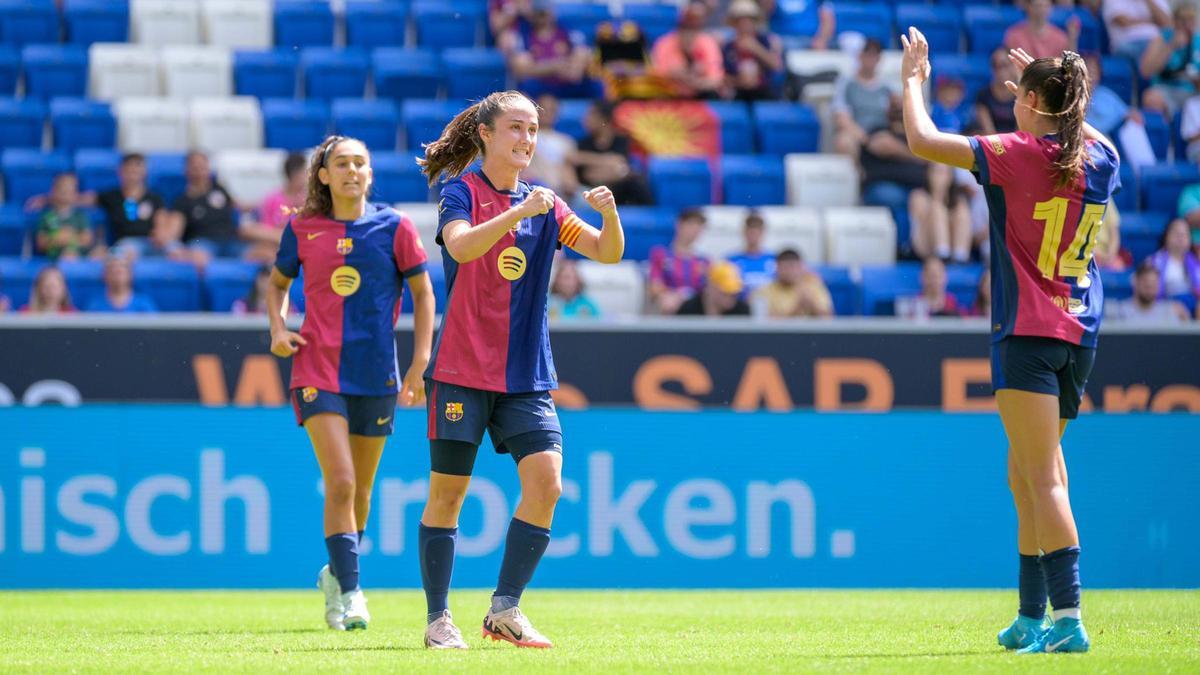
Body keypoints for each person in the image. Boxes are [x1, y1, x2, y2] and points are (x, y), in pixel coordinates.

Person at [900, 29, 1122, 654]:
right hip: (1078, 330)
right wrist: (1055, 96)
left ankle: (1069, 617)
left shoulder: (1018, 152)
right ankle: (1030, 615)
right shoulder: (1100, 156)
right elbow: (1082, 131)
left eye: (1021, 96)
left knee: (1043, 476)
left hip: (1027, 328)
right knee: (1025, 475)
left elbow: (921, 140)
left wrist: (913, 82)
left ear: (1028, 101)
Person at [415, 90, 624, 650]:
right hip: (460, 371)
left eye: (533, 129)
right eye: (515, 128)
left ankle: (504, 609)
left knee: (548, 483)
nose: (526, 139)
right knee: (449, 496)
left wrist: (609, 214)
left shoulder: (548, 204)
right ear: (485, 134)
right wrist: (517, 212)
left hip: (525, 376)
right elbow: (459, 249)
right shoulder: (459, 192)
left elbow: (606, 253)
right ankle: (439, 620)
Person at [267, 135, 436, 632]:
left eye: (360, 162)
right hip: (317, 368)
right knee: (339, 481)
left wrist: (420, 362)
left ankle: (336, 577)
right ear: (323, 174)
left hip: (376, 372)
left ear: (370, 172)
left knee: (361, 491)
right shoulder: (302, 229)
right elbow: (277, 285)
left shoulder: (395, 226)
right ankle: (355, 592)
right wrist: (278, 329)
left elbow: (425, 295)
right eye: (341, 163)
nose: (351, 170)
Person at [96, 153, 181, 260]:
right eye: (129, 169)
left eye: (137, 168)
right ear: (120, 171)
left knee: (176, 250)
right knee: (123, 253)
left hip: (151, 241)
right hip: (126, 242)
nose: (133, 172)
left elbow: (161, 221)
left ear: (144, 172)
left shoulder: (155, 197)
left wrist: (161, 235)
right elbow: (82, 198)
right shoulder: (110, 196)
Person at [508, 0, 599, 99]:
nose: (542, 17)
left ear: (552, 11)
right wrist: (554, 67)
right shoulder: (525, 36)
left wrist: (572, 68)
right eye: (539, 13)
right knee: (528, 85)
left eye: (544, 12)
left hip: (566, 82)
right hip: (542, 86)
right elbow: (522, 70)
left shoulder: (566, 31)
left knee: (596, 83)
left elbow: (581, 54)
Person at [572, 102, 654, 205]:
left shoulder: (621, 141)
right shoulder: (583, 143)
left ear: (604, 119)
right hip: (592, 192)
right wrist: (607, 161)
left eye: (591, 115)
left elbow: (621, 167)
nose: (586, 120)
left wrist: (592, 163)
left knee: (636, 182)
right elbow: (587, 173)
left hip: (620, 189)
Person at [172, 151, 243, 265]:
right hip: (202, 241)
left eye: (203, 167)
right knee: (199, 257)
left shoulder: (219, 189)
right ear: (186, 171)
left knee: (265, 253)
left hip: (231, 240)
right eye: (195, 167)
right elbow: (175, 229)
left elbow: (238, 206)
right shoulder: (182, 201)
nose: (199, 171)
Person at [650, 1, 725, 99]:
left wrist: (696, 83)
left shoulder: (708, 43)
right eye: (688, 22)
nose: (691, 23)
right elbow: (655, 74)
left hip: (700, 96)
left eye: (695, 23)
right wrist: (673, 74)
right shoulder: (664, 43)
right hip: (670, 95)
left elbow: (716, 79)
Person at [832, 38, 894, 157]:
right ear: (860, 56)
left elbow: (893, 118)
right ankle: (858, 173)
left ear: (879, 59)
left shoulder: (888, 88)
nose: (870, 59)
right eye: (867, 54)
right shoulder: (846, 83)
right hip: (856, 133)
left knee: (886, 142)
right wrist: (864, 138)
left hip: (882, 134)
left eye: (874, 55)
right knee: (844, 142)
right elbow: (841, 117)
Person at [1139, 1, 1200, 117]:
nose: (1187, 25)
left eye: (1190, 20)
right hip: (1166, 89)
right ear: (1175, 21)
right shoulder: (1162, 38)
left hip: (1192, 92)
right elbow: (1145, 71)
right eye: (1183, 20)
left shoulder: (1198, 41)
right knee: (1151, 98)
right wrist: (1171, 47)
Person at [245, 152, 307, 263]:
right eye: (304, 173)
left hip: (300, 242)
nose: (307, 177)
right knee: (259, 251)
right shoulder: (272, 199)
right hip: (275, 243)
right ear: (294, 175)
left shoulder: (310, 200)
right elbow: (266, 229)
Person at [648, 208, 709, 314]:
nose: (695, 230)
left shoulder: (704, 261)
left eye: (699, 226)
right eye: (691, 224)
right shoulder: (660, 254)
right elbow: (655, 287)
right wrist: (677, 295)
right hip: (671, 302)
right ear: (679, 224)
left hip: (697, 305)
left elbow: (708, 291)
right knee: (667, 301)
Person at [722, 0, 784, 101]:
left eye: (749, 19)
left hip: (764, 93)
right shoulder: (729, 46)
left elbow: (777, 66)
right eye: (740, 19)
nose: (745, 23)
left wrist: (755, 48)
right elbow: (723, 76)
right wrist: (740, 81)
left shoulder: (764, 40)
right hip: (738, 94)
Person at [524, 94, 579, 197]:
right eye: (543, 109)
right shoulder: (526, 137)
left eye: (551, 110)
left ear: (557, 113)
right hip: (534, 188)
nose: (547, 113)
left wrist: (570, 186)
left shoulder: (567, 141)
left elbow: (569, 169)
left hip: (562, 190)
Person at [752, 248, 833, 318]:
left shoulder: (814, 287)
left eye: (793, 267)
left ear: (801, 267)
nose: (790, 272)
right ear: (777, 268)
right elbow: (765, 324)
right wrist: (797, 309)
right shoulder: (763, 291)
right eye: (785, 267)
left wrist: (812, 304)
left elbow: (829, 318)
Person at [35, 173, 94, 261]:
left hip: (76, 258)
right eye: (61, 188)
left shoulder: (80, 216)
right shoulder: (47, 216)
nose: (65, 192)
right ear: (53, 191)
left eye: (70, 189)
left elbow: (87, 239)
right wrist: (56, 239)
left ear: (76, 193)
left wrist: (70, 238)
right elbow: (40, 242)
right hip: (52, 260)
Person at [1106, 260, 1191, 321]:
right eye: (1145, 282)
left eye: (1154, 283)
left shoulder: (1171, 311)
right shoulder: (1119, 312)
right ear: (1136, 282)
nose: (1150, 287)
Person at [1005, 0, 1079, 60]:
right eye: (1038, 5)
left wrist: (1072, 38)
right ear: (1028, 6)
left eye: (1046, 6)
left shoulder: (1061, 38)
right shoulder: (1014, 36)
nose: (1042, 9)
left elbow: (1068, 66)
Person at [896, 257, 967, 318]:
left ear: (945, 278)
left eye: (938, 276)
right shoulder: (914, 305)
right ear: (922, 277)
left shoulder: (953, 303)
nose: (934, 280)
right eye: (931, 276)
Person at [1103, 0, 1171, 61]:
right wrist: (1153, 21)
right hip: (1128, 43)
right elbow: (1123, 22)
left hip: (1155, 42)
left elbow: (1167, 23)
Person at [85, 255, 158, 313]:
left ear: (131, 274)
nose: (118, 270)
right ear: (104, 275)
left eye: (123, 266)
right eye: (112, 267)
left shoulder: (143, 303)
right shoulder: (95, 305)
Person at [676, 260, 751, 316]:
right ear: (710, 287)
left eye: (734, 293)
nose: (731, 297)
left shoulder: (742, 312)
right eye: (726, 292)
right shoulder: (688, 310)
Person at [1149, 218, 1200, 298]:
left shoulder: (1197, 261)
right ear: (1166, 237)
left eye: (1184, 234)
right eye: (1177, 234)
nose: (1181, 238)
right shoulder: (1153, 262)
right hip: (1165, 306)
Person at [727, 211, 775, 291]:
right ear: (743, 232)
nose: (753, 234)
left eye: (757, 230)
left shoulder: (774, 260)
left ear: (763, 233)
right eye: (750, 230)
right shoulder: (731, 261)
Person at [976, 48, 1019, 135]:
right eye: (995, 66)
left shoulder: (1023, 96)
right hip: (991, 144)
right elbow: (988, 132)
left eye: (1005, 65)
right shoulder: (983, 95)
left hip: (1016, 144)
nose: (1001, 71)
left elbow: (1021, 133)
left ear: (1014, 66)